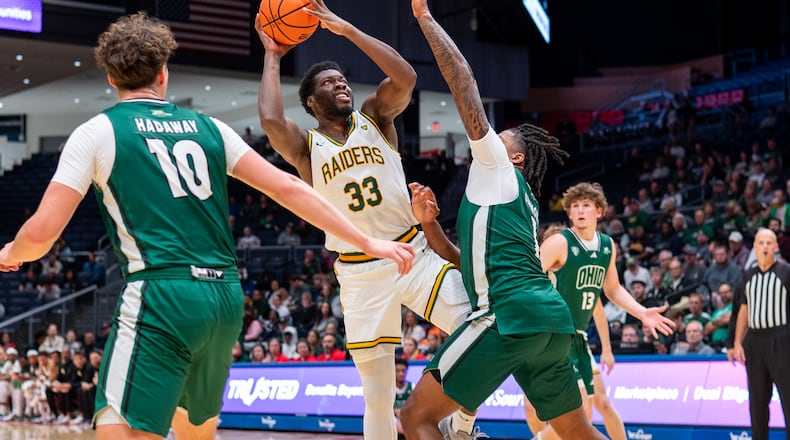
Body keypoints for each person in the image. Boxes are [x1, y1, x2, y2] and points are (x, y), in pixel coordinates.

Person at [0, 12, 415, 440]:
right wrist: (367, 240)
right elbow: (289, 189)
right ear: (164, 73)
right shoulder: (211, 129)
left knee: (117, 427)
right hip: (223, 299)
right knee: (195, 430)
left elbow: (41, 234)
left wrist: (10, 254)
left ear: (110, 76)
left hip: (161, 292)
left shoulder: (97, 132)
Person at [256, 1, 470, 438]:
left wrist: (347, 30)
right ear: (313, 102)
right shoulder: (305, 147)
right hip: (358, 271)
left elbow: (406, 77)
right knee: (375, 394)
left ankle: (458, 420)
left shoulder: (375, 116)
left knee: (477, 325)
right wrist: (273, 57)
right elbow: (272, 120)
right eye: (330, 83)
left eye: (342, 80)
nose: (341, 86)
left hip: (412, 250)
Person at [400, 2, 605, 439]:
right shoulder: (516, 202)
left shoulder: (497, 168)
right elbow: (469, 265)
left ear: (513, 156)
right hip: (550, 322)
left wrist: (424, 18)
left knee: (415, 417)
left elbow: (464, 82)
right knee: (577, 431)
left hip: (508, 316)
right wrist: (429, 224)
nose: (493, 135)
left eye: (502, 135)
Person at [523, 184, 674, 440]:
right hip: (552, 336)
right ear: (569, 213)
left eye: (587, 205)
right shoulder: (559, 242)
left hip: (578, 338)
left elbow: (613, 290)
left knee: (587, 412)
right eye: (575, 206)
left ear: (600, 212)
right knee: (576, 411)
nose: (581, 211)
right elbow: (525, 281)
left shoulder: (607, 246)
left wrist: (641, 313)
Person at [728, 228, 790, 440]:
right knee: (757, 402)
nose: (764, 246)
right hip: (754, 343)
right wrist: (736, 343)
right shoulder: (747, 276)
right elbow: (742, 310)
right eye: (760, 242)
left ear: (775, 247)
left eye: (769, 243)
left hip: (781, 340)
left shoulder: (786, 272)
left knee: (788, 399)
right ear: (754, 247)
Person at [393, 358, 413, 436]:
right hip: (394, 421)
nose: (401, 373)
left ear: (407, 371)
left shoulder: (413, 387)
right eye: (397, 371)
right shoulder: (388, 389)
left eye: (403, 370)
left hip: (409, 419)